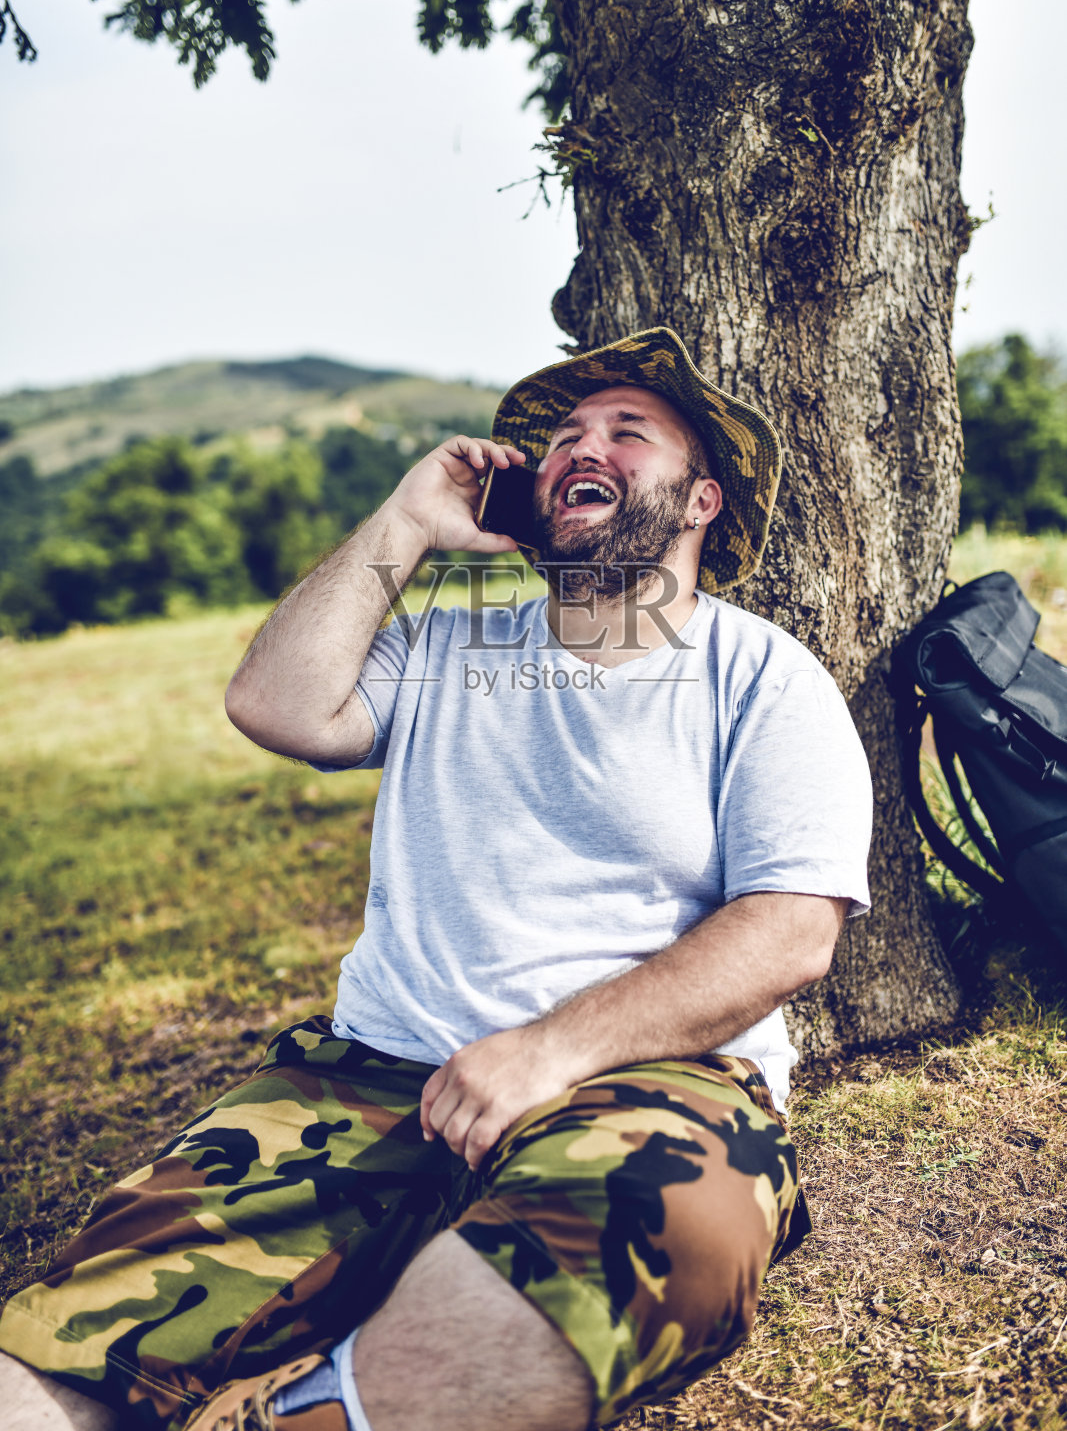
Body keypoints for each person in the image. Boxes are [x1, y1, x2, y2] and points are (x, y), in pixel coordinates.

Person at [0, 328, 872, 1431]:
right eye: (564, 436)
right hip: (371, 1083)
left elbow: (790, 929)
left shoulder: (763, 677)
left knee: (669, 1236)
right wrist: (404, 524)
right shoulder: (446, 647)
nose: (579, 448)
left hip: (644, 1080)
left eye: (626, 432)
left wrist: (546, 1051)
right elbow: (275, 706)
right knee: (71, 1339)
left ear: (701, 500)